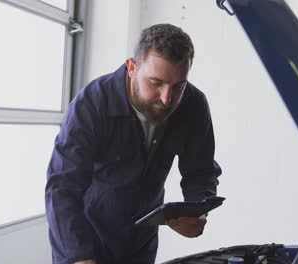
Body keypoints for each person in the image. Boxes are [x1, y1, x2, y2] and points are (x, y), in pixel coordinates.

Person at [45, 23, 222, 264]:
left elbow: (200, 171)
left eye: (178, 86)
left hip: (140, 245)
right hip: (84, 240)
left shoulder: (193, 105)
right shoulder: (93, 103)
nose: (167, 98)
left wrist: (197, 211)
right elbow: (62, 188)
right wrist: (78, 256)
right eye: (155, 83)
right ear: (132, 67)